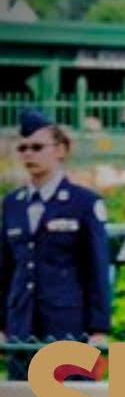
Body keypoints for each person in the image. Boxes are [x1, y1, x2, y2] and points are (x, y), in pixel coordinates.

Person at [0, 109, 111, 381]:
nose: (29, 154)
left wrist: (99, 328)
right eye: (23, 148)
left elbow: (97, 269)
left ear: (60, 150)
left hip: (69, 325)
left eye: (37, 147)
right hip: (22, 324)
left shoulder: (84, 203)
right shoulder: (12, 204)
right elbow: (5, 269)